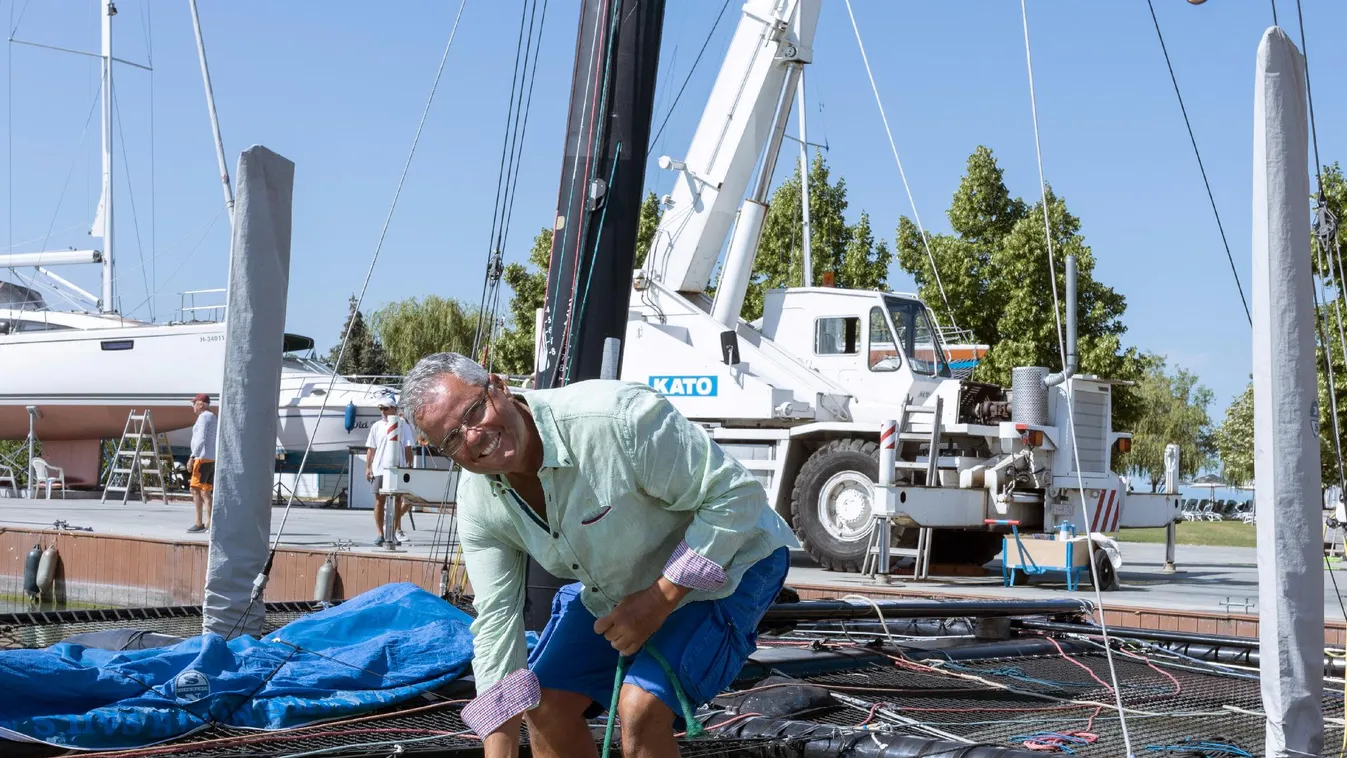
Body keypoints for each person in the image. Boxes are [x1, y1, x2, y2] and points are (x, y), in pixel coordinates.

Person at [400, 352, 797, 758]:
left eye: (474, 411)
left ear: (498, 385)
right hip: (625, 583)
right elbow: (497, 622)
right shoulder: (477, 500)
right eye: (451, 439)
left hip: (737, 558)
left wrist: (658, 599)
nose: (472, 436)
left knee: (640, 709)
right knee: (545, 707)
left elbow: (736, 496)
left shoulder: (617, 419)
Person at [365, 397, 415, 546]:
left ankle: (392, 532)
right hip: (379, 467)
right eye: (381, 409)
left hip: (397, 467)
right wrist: (368, 467)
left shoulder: (402, 425)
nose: (383, 411)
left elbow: (408, 446)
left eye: (386, 408)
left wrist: (408, 465)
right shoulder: (376, 426)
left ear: (394, 408)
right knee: (379, 501)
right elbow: (371, 448)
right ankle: (380, 533)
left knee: (398, 500)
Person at [186, 393, 217, 533]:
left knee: (195, 490)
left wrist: (192, 456)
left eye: (194, 403)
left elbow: (201, 438)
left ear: (201, 404)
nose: (193, 406)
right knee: (206, 490)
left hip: (201, 457)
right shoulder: (213, 417)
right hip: (210, 457)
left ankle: (199, 522)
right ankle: (209, 522)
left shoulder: (204, 417)